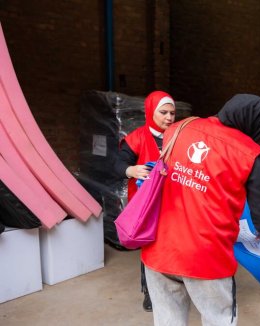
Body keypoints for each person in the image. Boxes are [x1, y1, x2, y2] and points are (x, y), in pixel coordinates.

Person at [141, 94, 260, 326]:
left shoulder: (178, 128)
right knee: (219, 320)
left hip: (159, 249)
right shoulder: (249, 153)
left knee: (167, 321)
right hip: (206, 257)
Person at [113, 90, 177, 312]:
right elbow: (117, 165)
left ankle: (175, 287)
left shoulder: (179, 136)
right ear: (151, 111)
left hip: (173, 203)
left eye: (172, 113)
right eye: (163, 112)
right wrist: (131, 169)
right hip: (147, 205)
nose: (169, 118)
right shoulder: (137, 138)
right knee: (149, 248)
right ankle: (150, 292)